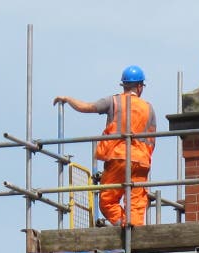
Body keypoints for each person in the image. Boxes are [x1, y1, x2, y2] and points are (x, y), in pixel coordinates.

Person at [53, 65, 156, 227]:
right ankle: (136, 232)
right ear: (140, 86)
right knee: (136, 204)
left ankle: (125, 226)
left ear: (124, 85)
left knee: (107, 201)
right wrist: (143, 157)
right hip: (142, 161)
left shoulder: (114, 101)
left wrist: (67, 99)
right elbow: (152, 139)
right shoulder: (148, 108)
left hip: (118, 158)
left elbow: (87, 107)